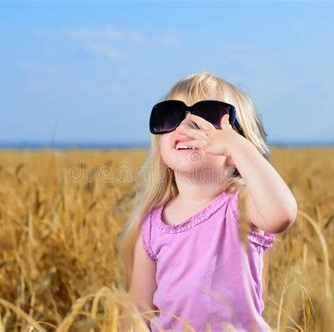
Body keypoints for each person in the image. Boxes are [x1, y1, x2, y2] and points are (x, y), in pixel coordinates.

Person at [117, 72, 298, 331]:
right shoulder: (152, 226)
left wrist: (240, 149)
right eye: (171, 115)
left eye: (208, 117)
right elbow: (137, 308)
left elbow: (282, 214)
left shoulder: (240, 205)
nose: (186, 126)